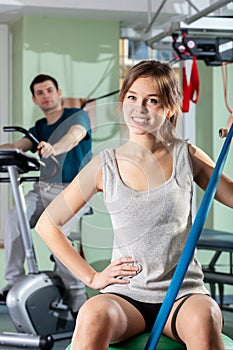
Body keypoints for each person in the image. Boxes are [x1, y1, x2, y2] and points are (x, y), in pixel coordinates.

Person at [35, 61, 231, 350]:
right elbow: (47, 224)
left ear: (169, 108)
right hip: (125, 295)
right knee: (91, 314)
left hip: (181, 293)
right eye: (132, 97)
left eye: (152, 101)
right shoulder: (104, 165)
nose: (139, 108)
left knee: (207, 316)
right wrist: (92, 276)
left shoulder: (186, 156)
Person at [0, 74, 92, 315]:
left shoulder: (76, 116)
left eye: (49, 90)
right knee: (14, 220)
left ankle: (77, 295)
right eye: (40, 93)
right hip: (43, 190)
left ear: (59, 92)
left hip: (73, 191)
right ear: (34, 99)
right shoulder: (39, 128)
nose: (46, 96)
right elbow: (17, 146)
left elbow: (74, 137)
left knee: (57, 234)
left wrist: (55, 147)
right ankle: (13, 282)